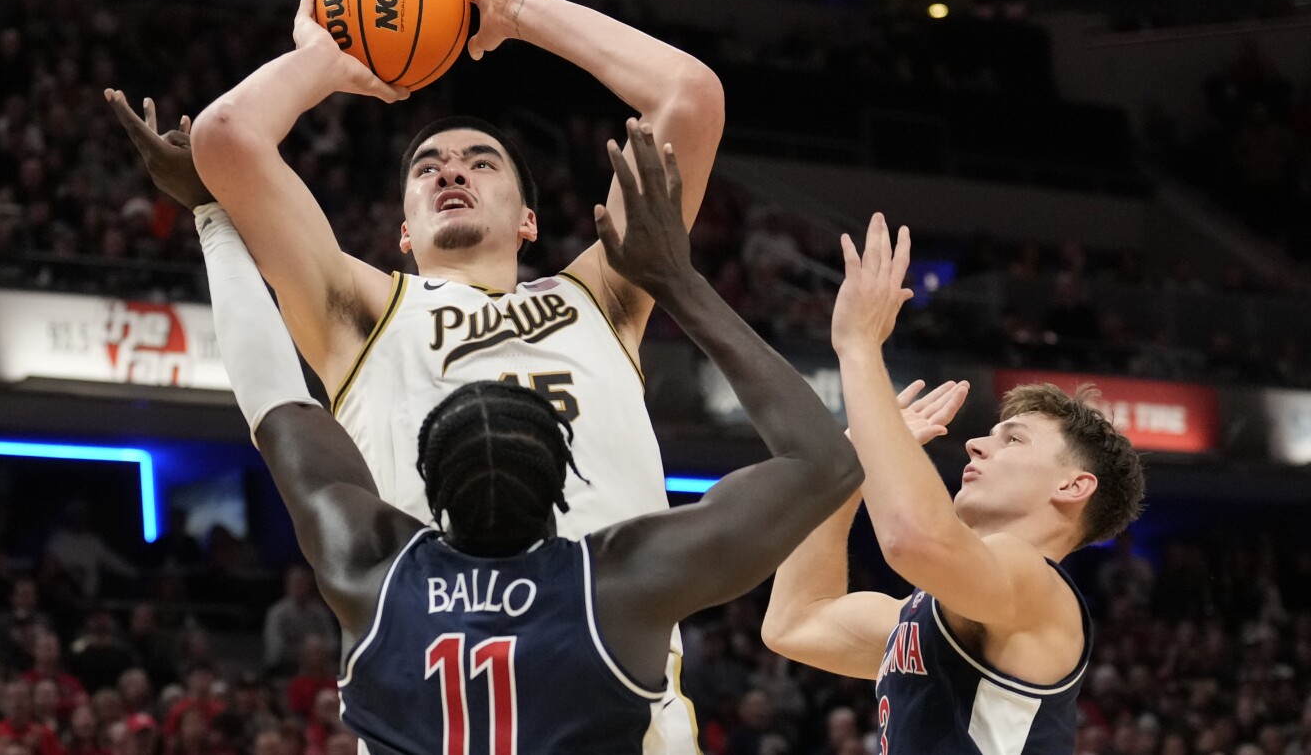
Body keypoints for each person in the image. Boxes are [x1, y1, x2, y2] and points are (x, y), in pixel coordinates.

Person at [193, 121, 889, 750]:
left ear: (427, 489)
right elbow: (824, 462)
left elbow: (275, 401)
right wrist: (680, 281)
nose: (451, 172)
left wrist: (213, 218)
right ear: (566, 476)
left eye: (479, 162)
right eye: (429, 165)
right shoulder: (617, 584)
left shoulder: (379, 578)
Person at [761, 214, 1148, 753]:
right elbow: (794, 622)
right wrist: (846, 473)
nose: (975, 444)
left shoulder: (1037, 588)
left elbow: (913, 537)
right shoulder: (933, 613)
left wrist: (860, 348)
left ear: (1072, 486)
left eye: (1012, 440)